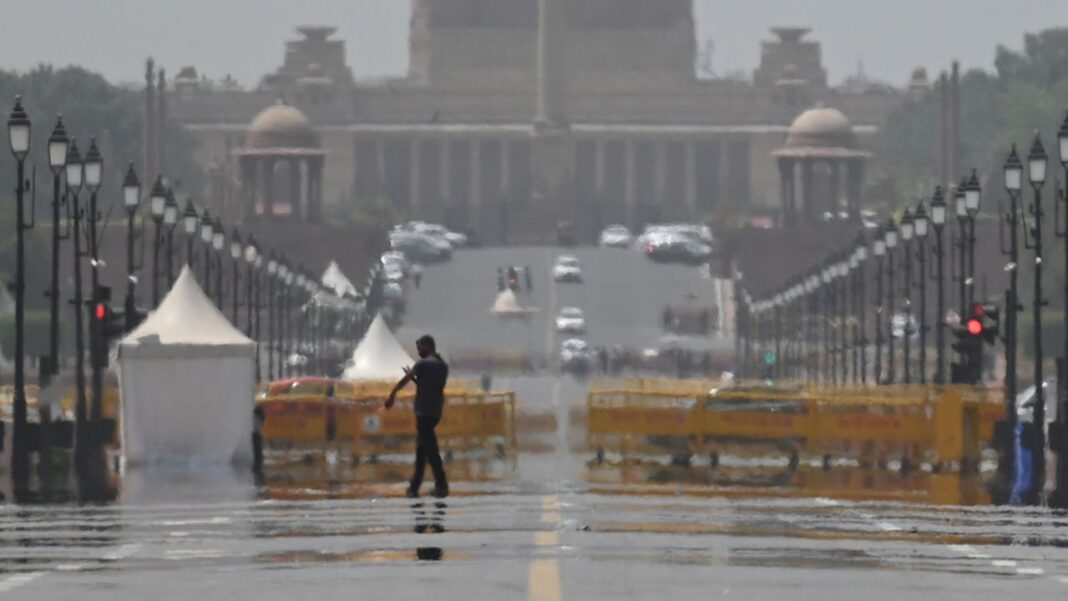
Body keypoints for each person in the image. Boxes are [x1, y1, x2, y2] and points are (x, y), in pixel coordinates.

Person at [387, 335, 450, 498]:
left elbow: (404, 381)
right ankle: (414, 487)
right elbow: (430, 387)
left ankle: (441, 485)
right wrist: (416, 378)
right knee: (422, 449)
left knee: (430, 450)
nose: (418, 352)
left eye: (419, 348)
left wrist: (392, 395)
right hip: (435, 411)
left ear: (426, 347)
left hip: (423, 412)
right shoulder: (442, 365)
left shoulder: (423, 364)